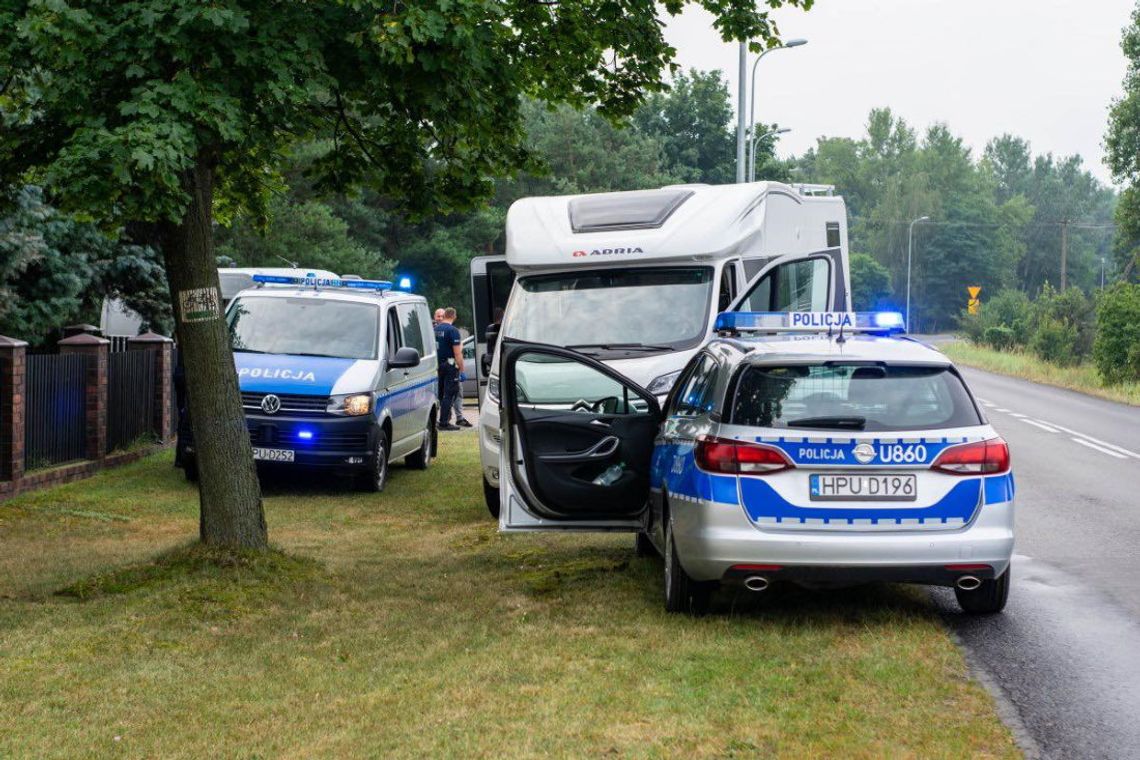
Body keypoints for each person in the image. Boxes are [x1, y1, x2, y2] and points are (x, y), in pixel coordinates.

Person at [432, 308, 471, 427]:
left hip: (438, 365)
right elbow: (457, 353)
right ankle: (444, 422)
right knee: (450, 393)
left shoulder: (435, 330)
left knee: (440, 394)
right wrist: (462, 370)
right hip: (450, 365)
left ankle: (439, 420)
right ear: (454, 316)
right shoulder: (453, 330)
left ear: (444, 316)